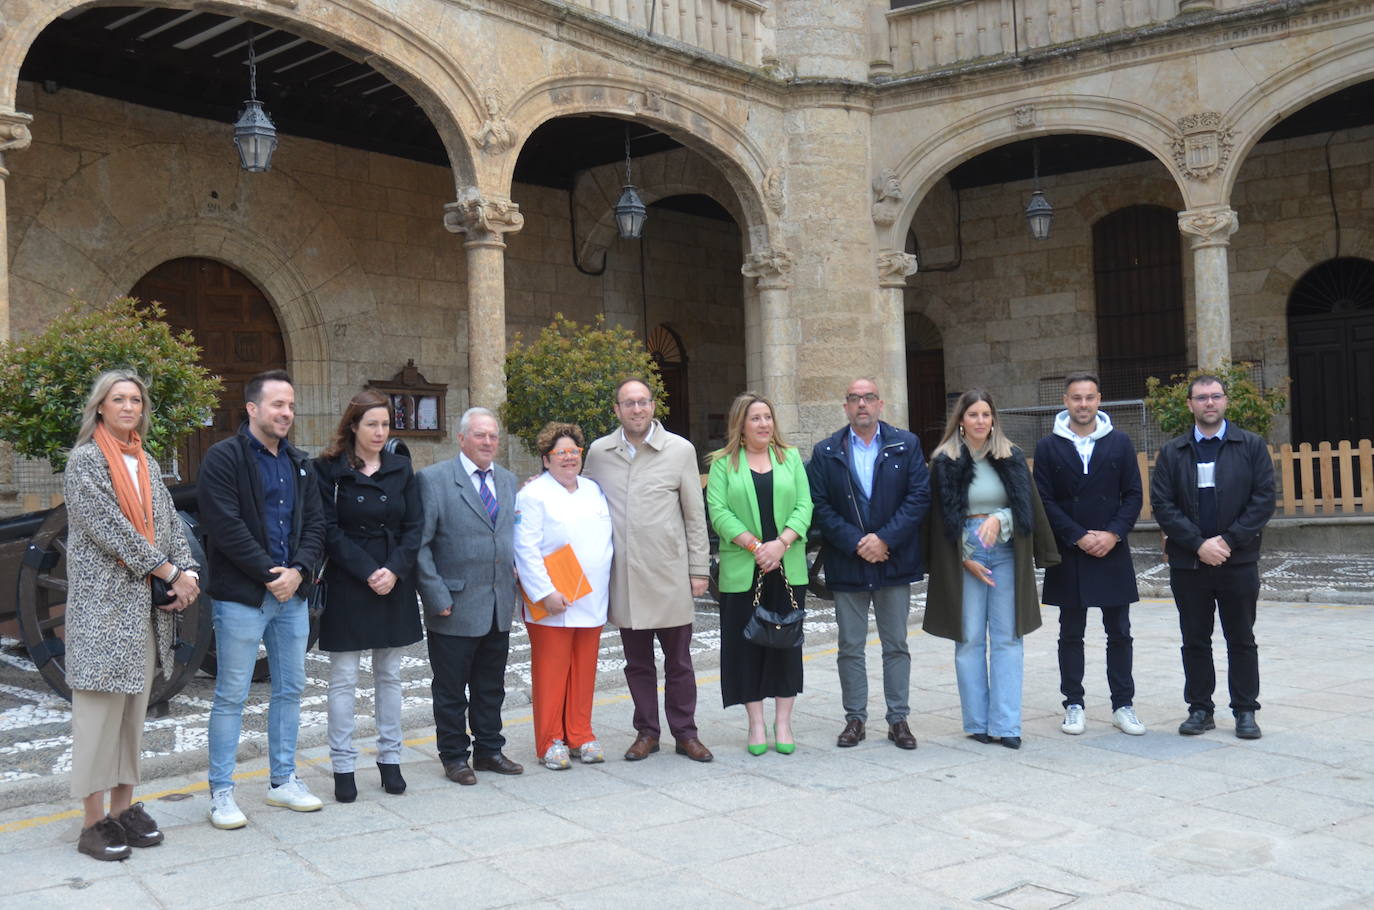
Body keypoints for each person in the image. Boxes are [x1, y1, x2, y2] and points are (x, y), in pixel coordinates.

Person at [64, 370, 200, 860]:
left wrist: (187, 572)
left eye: (135, 400)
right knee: (98, 718)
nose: (127, 407)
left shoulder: (144, 460)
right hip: (102, 612)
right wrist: (166, 570)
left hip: (142, 613)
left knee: (130, 719)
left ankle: (123, 808)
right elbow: (108, 527)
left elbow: (169, 524)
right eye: (117, 399)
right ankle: (92, 821)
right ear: (100, 407)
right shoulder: (85, 461)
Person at [198, 369, 326, 828]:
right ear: (252, 409)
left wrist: (299, 572)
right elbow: (224, 524)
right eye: (277, 405)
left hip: (291, 598)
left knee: (290, 689)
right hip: (242, 599)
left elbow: (315, 524)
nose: (286, 413)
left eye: (290, 406)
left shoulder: (300, 463)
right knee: (231, 695)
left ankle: (283, 782)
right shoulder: (223, 457)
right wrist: (270, 574)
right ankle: (222, 793)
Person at [582, 377, 713, 763]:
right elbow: (583, 503)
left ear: (654, 406)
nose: (636, 409)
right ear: (617, 410)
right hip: (624, 577)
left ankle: (686, 733)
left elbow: (694, 515)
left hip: (669, 573)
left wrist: (698, 568)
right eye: (628, 403)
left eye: (643, 402)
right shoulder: (599, 452)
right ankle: (647, 732)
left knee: (680, 663)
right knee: (637, 664)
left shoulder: (680, 450)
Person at [923, 388, 1059, 750]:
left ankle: (1007, 723)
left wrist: (1001, 518)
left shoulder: (1010, 456)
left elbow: (1027, 506)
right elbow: (937, 519)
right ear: (961, 421)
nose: (981, 421)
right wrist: (962, 555)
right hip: (963, 554)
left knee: (1007, 638)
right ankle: (977, 722)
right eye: (973, 415)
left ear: (993, 418)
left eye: (986, 414)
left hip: (1005, 552)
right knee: (967, 639)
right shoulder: (944, 460)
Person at [1150, 374, 1275, 740]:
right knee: (1194, 639)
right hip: (1189, 564)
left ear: (1225, 402)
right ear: (1189, 404)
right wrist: (1198, 544)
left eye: (1215, 396)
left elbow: (1263, 499)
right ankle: (1200, 709)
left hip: (1237, 562)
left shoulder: (1251, 446)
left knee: (1241, 638)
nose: (1209, 403)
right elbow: (1163, 505)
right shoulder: (1173, 452)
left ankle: (1245, 711)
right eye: (1201, 397)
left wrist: (1228, 541)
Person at [807, 378, 930, 750]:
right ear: (845, 407)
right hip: (849, 561)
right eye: (855, 398)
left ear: (880, 404)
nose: (862, 404)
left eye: (869, 397)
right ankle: (855, 719)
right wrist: (856, 543)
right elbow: (819, 505)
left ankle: (898, 720)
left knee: (896, 644)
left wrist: (884, 539)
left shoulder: (906, 444)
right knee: (850, 646)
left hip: (893, 560)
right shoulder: (826, 450)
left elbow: (918, 497)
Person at [313, 389, 423, 802]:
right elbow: (327, 529)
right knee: (343, 679)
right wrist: (366, 571)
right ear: (353, 426)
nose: (380, 432)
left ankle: (390, 760)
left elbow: (415, 526)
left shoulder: (401, 468)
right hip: (349, 579)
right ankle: (343, 765)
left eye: (385, 424)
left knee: (390, 675)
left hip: (393, 578)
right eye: (371, 424)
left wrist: (393, 570)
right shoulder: (328, 470)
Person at [414, 407, 525, 784]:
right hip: (453, 606)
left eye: (493, 435)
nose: (488, 442)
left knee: (490, 685)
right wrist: (435, 595)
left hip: (497, 604)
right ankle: (454, 756)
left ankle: (490, 750)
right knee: (450, 689)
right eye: (480, 435)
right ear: (461, 439)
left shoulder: (508, 480)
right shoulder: (434, 480)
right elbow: (420, 545)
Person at [1033, 372, 1145, 737]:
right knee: (1070, 632)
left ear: (1100, 400)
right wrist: (1077, 536)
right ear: (1065, 401)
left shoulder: (1120, 443)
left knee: (1120, 632)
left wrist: (1112, 533)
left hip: (1111, 548)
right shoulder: (1049, 446)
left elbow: (1132, 495)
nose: (1083, 404)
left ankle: (1123, 704)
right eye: (1076, 398)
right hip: (1071, 551)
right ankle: (1074, 704)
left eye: (1090, 397)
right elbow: (1044, 500)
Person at [706, 392, 813, 755]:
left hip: (786, 567)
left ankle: (783, 722)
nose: (764, 424)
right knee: (745, 646)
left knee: (785, 644)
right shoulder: (723, 464)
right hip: (744, 569)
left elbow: (804, 504)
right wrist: (756, 546)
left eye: (767, 417)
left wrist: (781, 544)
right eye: (756, 418)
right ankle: (755, 724)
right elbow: (718, 512)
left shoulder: (791, 458)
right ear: (741, 424)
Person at [514, 423, 614, 770]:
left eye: (574, 452)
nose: (569, 459)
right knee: (551, 672)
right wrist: (544, 592)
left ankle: (580, 733)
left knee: (584, 670)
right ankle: (549, 740)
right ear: (546, 459)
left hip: (591, 598)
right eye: (561, 454)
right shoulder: (532, 494)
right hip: (553, 600)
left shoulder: (593, 490)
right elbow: (524, 548)